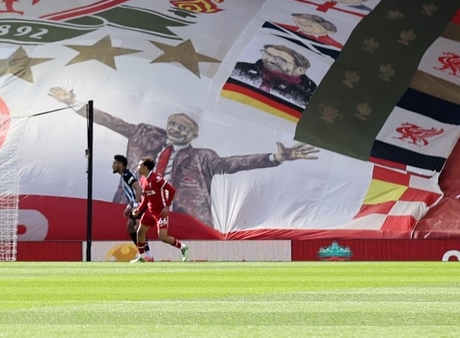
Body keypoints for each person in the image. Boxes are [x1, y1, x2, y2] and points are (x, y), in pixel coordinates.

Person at [49, 88, 317, 232]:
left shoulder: (202, 157)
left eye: (182, 128)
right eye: (173, 125)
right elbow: (111, 122)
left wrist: (276, 157)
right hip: (133, 207)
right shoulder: (144, 134)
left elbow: (233, 163)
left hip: (181, 215)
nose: (175, 130)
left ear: (194, 134)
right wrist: (75, 103)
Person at [131, 157, 190, 262]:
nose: (138, 167)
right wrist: (139, 209)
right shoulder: (142, 179)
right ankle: (142, 257)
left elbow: (171, 190)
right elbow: (146, 198)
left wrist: (167, 206)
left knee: (163, 237)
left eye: (140, 165)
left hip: (160, 212)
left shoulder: (156, 178)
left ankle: (183, 247)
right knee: (140, 232)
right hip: (150, 211)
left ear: (145, 167)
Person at [111, 155, 140, 249]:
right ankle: (142, 252)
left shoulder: (127, 175)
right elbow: (133, 193)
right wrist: (129, 207)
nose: (113, 165)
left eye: (114, 163)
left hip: (140, 204)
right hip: (135, 204)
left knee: (139, 229)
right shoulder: (124, 175)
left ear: (120, 164)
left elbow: (138, 188)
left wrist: (135, 206)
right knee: (130, 227)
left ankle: (146, 254)